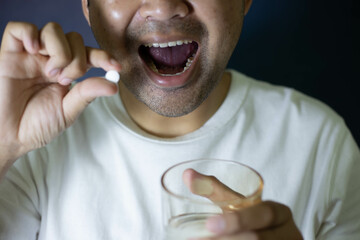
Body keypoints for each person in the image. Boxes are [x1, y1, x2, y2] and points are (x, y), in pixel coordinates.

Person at [0, 0, 359, 239]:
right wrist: (4, 143)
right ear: (88, 7)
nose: (163, 5)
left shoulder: (321, 144)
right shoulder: (29, 151)